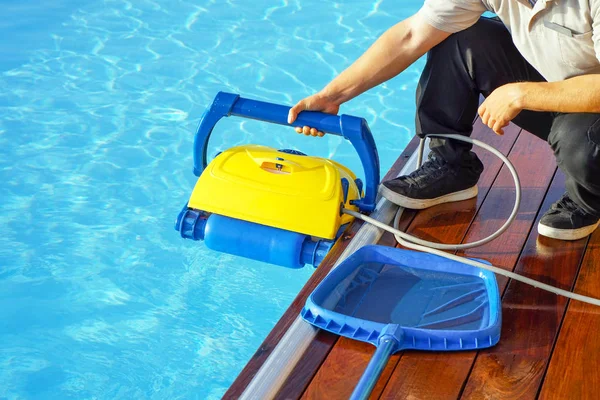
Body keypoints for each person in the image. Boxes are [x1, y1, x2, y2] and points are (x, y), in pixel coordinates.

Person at [287, 0, 600, 241]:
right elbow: (412, 35)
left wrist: (521, 95)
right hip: (553, 85)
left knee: (581, 142)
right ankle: (451, 165)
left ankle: (588, 200)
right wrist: (332, 96)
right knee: (459, 35)